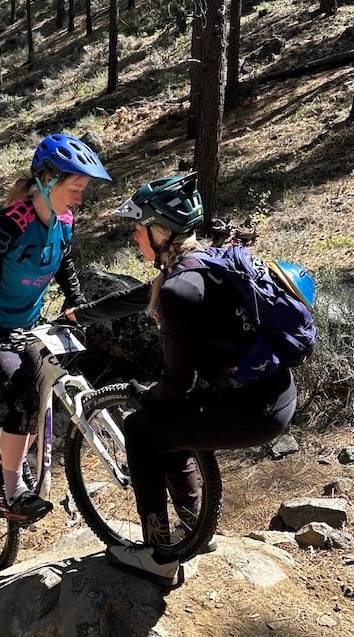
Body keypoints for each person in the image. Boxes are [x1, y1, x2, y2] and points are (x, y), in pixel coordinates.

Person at [67, 172, 308, 588]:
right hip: (275, 393)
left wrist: (142, 395)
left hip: (253, 412)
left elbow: (175, 384)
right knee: (169, 422)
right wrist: (76, 316)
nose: (133, 238)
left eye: (137, 229)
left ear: (159, 232)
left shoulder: (179, 290)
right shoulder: (205, 262)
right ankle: (195, 530)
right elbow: (137, 297)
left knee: (142, 427)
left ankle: (160, 556)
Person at [0, 132, 111, 524]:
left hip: (27, 327)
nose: (79, 198)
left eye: (83, 190)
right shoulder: (10, 225)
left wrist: (75, 299)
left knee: (41, 394)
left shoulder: (64, 220)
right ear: (46, 180)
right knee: (24, 397)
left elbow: (64, 260)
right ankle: (13, 491)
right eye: (75, 188)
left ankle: (14, 443)